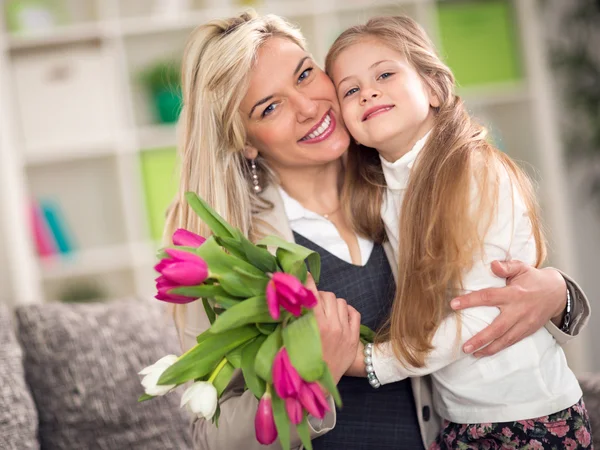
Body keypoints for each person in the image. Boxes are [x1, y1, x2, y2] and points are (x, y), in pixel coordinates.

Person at [164, 11, 591, 450]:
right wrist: (315, 377)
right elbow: (210, 434)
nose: (308, 107)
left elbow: (488, 274)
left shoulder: (399, 171)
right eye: (270, 107)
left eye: (305, 75)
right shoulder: (228, 252)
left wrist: (558, 294)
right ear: (245, 139)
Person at [326, 15, 592, 448]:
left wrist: (372, 362)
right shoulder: (384, 189)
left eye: (385, 74)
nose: (367, 92)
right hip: (459, 417)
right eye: (350, 90)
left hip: (528, 414)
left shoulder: (475, 171)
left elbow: (479, 311)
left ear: (432, 88)